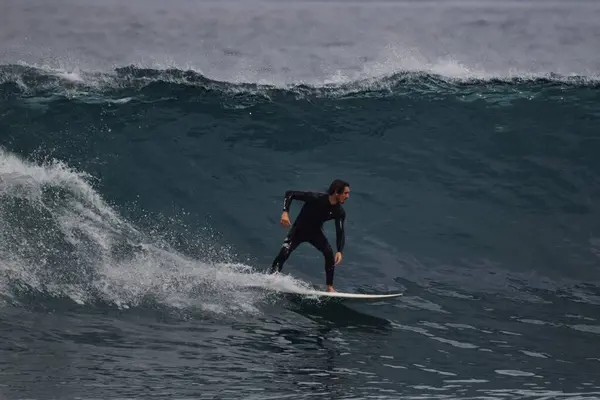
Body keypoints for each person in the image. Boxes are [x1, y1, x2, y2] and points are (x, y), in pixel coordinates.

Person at [269, 179, 350, 292]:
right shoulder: (316, 197)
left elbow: (340, 231)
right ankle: (271, 278)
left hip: (315, 233)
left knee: (329, 253)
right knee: (284, 252)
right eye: (345, 193)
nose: (347, 196)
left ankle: (330, 287)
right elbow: (290, 193)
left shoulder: (339, 212)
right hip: (299, 230)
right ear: (337, 192)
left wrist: (340, 251)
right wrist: (285, 212)